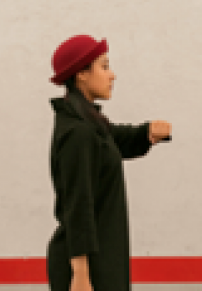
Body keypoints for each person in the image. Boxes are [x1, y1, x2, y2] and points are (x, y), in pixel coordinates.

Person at [46, 35, 171, 291]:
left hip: (101, 259)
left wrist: (148, 132)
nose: (112, 75)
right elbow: (77, 204)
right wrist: (80, 276)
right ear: (81, 74)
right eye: (104, 66)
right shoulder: (78, 133)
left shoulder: (89, 122)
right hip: (87, 269)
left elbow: (114, 141)